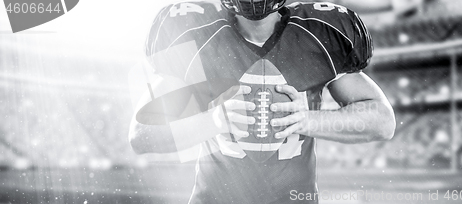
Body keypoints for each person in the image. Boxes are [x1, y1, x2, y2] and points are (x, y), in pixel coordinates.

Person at [129, 0, 396, 203]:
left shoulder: (318, 36)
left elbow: (383, 121)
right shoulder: (199, 36)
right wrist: (214, 121)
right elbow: (142, 135)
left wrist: (308, 120)